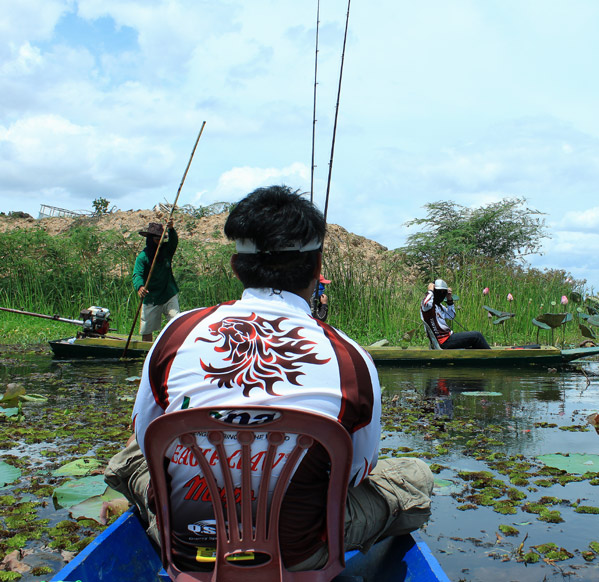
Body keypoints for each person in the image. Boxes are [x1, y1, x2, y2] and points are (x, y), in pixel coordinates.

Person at [105, 185, 433, 572]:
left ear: (235, 265)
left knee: (132, 450)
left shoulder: (177, 333)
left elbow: (148, 441)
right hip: (299, 556)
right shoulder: (351, 359)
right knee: (415, 477)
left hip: (188, 547)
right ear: (316, 268)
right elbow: (356, 473)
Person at [132, 220, 179, 342]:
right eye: (157, 239)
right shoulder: (143, 257)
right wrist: (140, 287)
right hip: (151, 296)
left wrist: (171, 229)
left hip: (168, 293)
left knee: (176, 322)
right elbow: (137, 274)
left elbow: (174, 241)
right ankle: (146, 352)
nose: (159, 242)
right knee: (147, 328)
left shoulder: (166, 251)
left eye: (161, 239)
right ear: (150, 239)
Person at [421, 278, 491, 349]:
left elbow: (451, 315)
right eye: (439, 292)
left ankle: (488, 358)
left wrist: (449, 299)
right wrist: (430, 291)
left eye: (443, 292)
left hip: (449, 338)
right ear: (434, 291)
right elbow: (426, 303)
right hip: (443, 341)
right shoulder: (427, 306)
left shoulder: (439, 306)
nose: (441, 294)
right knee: (477, 336)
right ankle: (494, 358)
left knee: (474, 347)